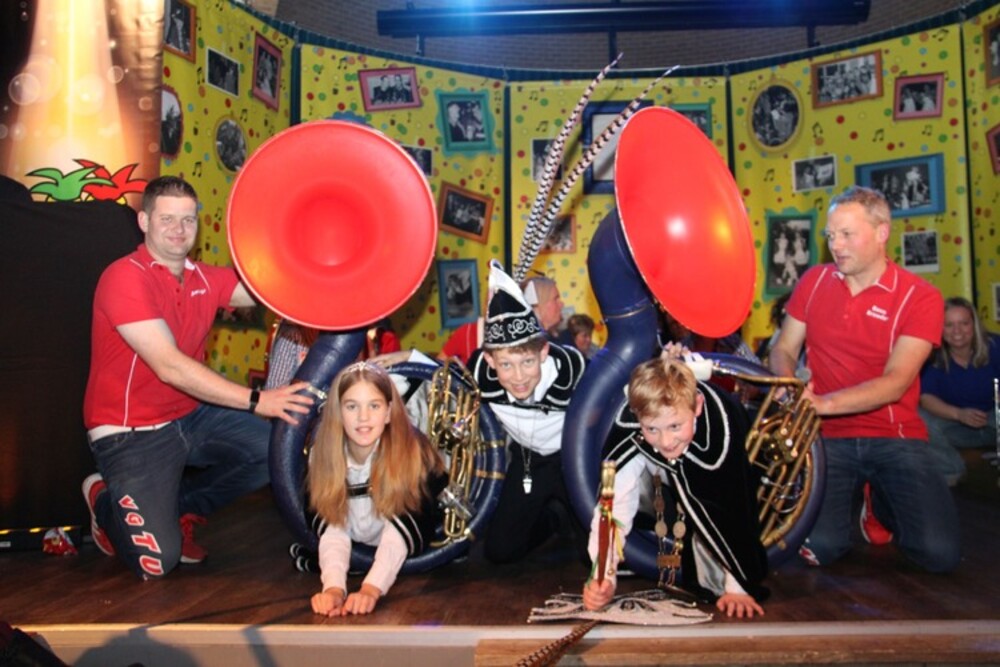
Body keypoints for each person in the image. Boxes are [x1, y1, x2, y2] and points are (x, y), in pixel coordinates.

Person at [82, 176, 314, 579]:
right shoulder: (124, 277)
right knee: (159, 562)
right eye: (167, 219)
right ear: (144, 221)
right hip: (130, 431)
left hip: (189, 416)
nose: (179, 229)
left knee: (274, 452)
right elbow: (169, 366)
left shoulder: (204, 278)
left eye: (188, 219)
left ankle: (179, 509)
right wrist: (258, 400)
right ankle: (103, 500)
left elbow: (270, 289)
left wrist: (317, 257)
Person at [768, 185, 959, 573]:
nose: (835, 245)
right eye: (830, 235)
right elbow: (783, 348)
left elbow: (896, 381)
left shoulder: (920, 296)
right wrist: (790, 386)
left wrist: (823, 403)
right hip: (825, 437)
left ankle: (880, 502)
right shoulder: (814, 281)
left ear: (881, 232)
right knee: (820, 548)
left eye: (846, 234)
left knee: (939, 555)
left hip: (894, 436)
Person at [582, 347, 768, 618]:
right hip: (661, 489)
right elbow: (614, 505)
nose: (666, 441)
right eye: (652, 429)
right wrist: (603, 575)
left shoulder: (721, 428)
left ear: (697, 406)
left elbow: (734, 508)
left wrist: (737, 587)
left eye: (675, 426)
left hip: (719, 481)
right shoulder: (631, 427)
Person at [467, 260, 586, 563]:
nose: (518, 377)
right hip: (529, 458)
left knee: (595, 555)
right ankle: (553, 519)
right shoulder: (481, 374)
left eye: (527, 362)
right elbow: (440, 375)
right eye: (506, 364)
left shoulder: (571, 368)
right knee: (500, 551)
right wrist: (404, 357)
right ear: (491, 361)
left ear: (543, 352)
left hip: (575, 458)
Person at [308, 362, 447, 616]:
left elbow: (398, 532)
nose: (363, 417)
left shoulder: (411, 455)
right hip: (358, 542)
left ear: (388, 412)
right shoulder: (324, 456)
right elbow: (334, 527)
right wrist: (333, 588)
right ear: (338, 412)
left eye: (374, 406)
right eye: (352, 406)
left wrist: (371, 588)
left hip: (397, 548)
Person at [919, 296, 1000, 485]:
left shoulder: (995, 345)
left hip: (993, 421)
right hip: (955, 426)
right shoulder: (931, 354)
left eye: (964, 323)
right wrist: (959, 414)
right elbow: (925, 398)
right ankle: (950, 471)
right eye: (949, 325)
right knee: (917, 415)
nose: (957, 331)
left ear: (974, 325)